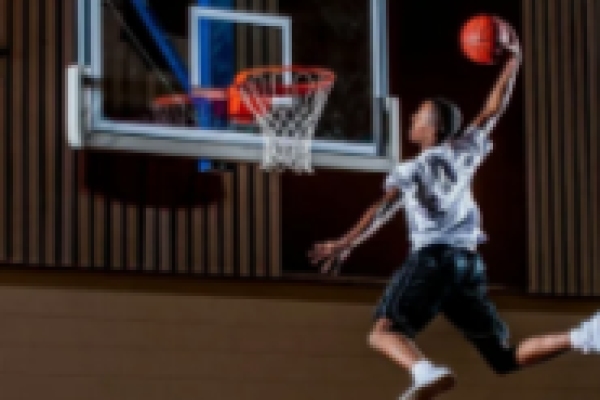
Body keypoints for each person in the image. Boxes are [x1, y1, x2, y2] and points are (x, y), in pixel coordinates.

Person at [308, 21, 600, 400]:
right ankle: (584, 336)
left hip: (433, 259)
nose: (411, 119)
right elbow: (493, 109)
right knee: (503, 358)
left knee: (383, 333)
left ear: (433, 128)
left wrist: (346, 243)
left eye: (418, 115)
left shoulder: (412, 169)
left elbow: (382, 206)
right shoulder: (464, 152)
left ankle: (426, 372)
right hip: (467, 264)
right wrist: (514, 60)